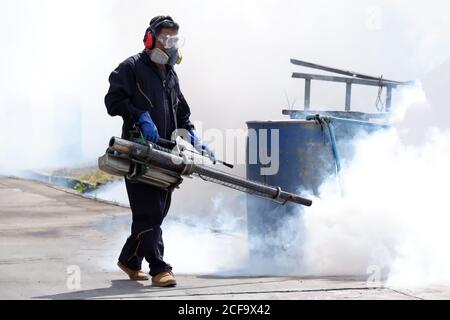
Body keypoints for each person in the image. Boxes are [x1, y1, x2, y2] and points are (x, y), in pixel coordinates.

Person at [104, 15, 214, 287]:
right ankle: (159, 269)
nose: (170, 45)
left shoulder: (171, 75)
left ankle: (130, 259)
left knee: (157, 212)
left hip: (167, 154)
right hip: (138, 152)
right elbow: (112, 101)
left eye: (174, 40)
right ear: (151, 38)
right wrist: (139, 114)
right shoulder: (130, 68)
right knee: (149, 213)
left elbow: (181, 112)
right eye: (165, 39)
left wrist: (192, 135)